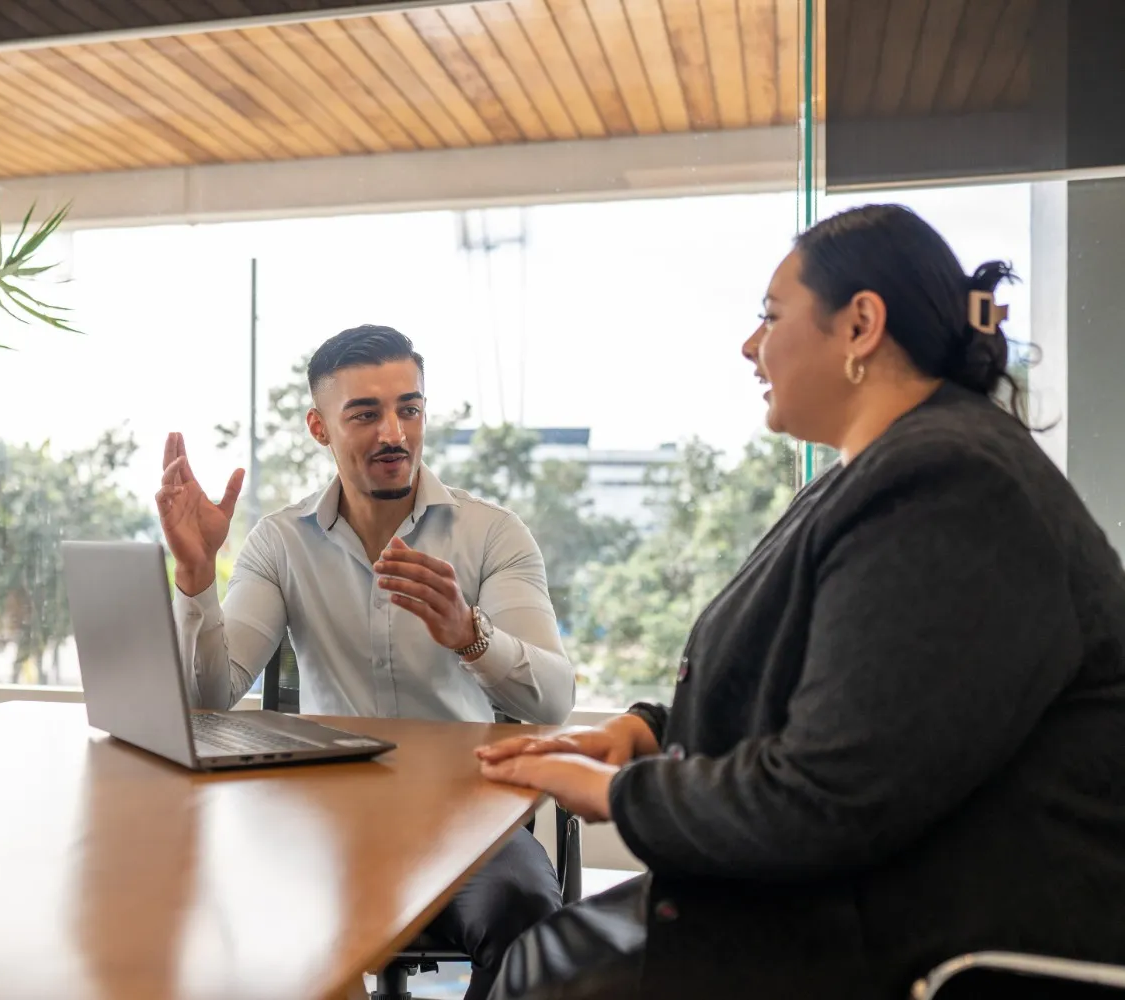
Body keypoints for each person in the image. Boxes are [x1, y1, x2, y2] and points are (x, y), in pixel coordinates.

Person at [475, 204, 1125, 1000]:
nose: (751, 346)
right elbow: (839, 687)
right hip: (859, 899)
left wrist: (618, 794)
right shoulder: (896, 470)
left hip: (932, 939)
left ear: (860, 325)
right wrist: (645, 731)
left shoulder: (948, 484)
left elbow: (831, 790)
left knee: (541, 974)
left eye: (770, 316)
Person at [155, 324, 575, 1000]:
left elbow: (552, 700)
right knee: (235, 920)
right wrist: (197, 575)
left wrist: (471, 635)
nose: (394, 432)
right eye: (365, 413)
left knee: (526, 923)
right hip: (322, 822)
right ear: (320, 428)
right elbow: (213, 693)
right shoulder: (280, 541)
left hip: (462, 817)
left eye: (409, 408)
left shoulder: (491, 534)